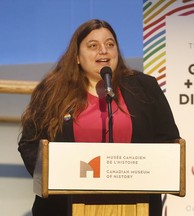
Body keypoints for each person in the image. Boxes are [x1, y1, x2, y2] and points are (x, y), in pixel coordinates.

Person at [18, 19, 180, 216]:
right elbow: (30, 143)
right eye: (93, 46)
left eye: (110, 44)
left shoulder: (144, 87)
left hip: (137, 204)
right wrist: (53, 176)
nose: (103, 51)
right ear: (77, 56)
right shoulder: (52, 91)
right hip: (62, 206)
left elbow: (168, 140)